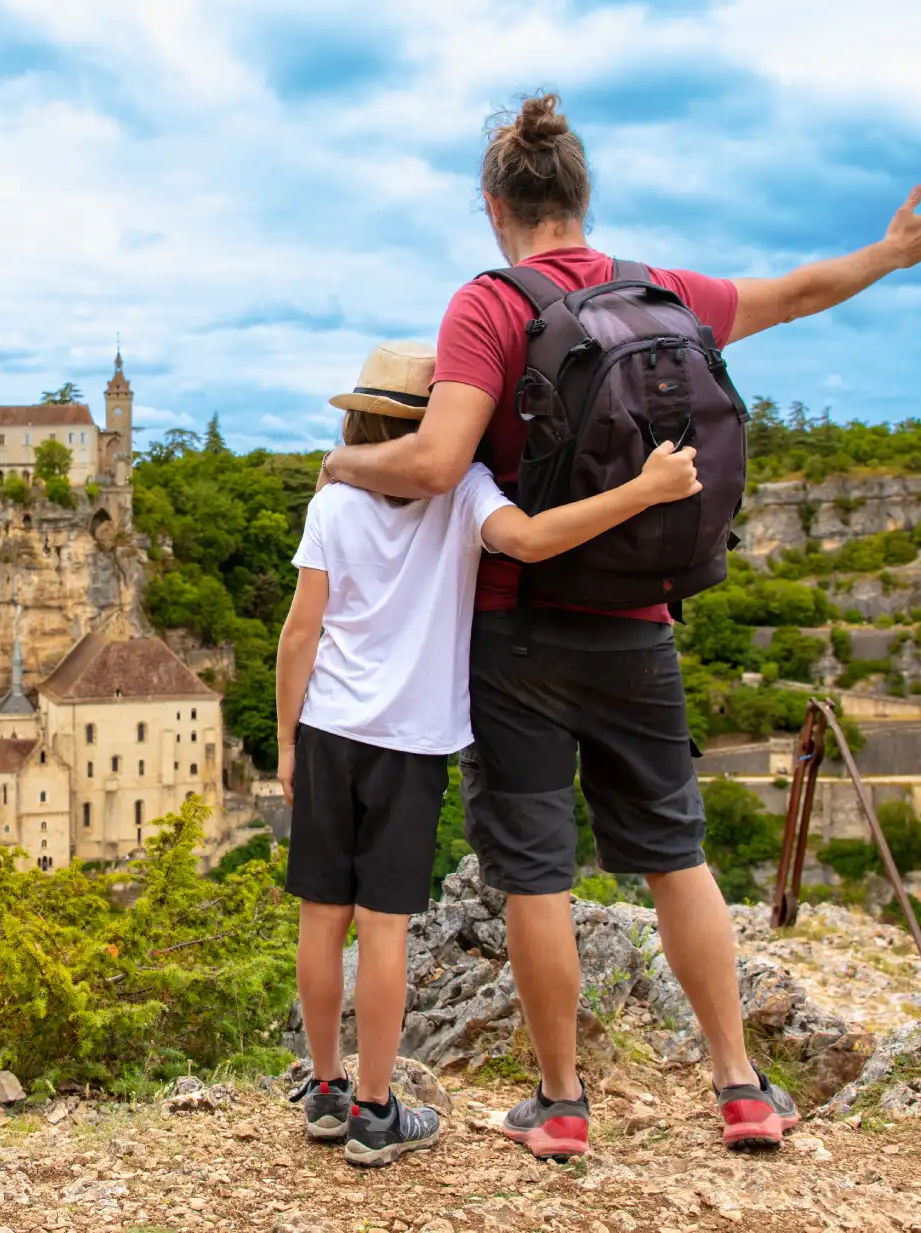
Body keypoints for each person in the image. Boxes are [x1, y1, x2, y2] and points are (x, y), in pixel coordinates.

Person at [320, 93, 921, 1158]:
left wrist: (341, 463)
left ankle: (561, 1106)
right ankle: (742, 1086)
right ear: (583, 198)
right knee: (675, 856)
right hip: (641, 620)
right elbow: (795, 294)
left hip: (520, 632)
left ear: (493, 207)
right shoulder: (662, 292)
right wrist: (887, 253)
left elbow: (432, 464)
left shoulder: (489, 306)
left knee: (535, 869)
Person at [278, 339, 703, 1168]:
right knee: (385, 925)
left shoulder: (331, 502)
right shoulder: (466, 489)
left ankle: (324, 1088)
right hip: (411, 740)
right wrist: (644, 489)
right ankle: (374, 1108)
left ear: (361, 422)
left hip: (330, 727)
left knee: (320, 916)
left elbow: (301, 631)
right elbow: (537, 540)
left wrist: (287, 737)